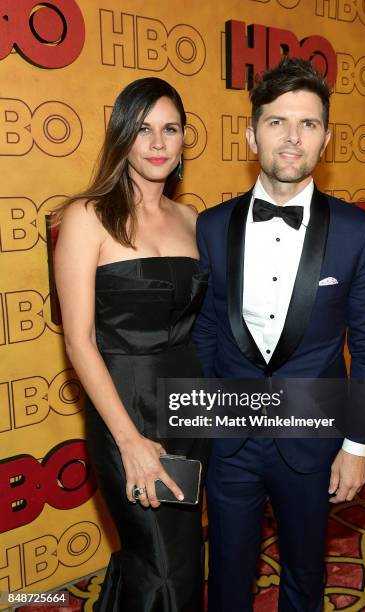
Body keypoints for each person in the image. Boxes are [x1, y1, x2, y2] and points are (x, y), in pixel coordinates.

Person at [192, 58, 365, 612]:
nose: (291, 137)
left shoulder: (358, 232)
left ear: (326, 138)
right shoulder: (211, 225)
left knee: (305, 575)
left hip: (314, 439)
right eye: (277, 121)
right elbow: (207, 328)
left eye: (307, 124)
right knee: (227, 575)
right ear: (250, 131)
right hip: (231, 440)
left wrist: (357, 447)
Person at [54, 77, 208, 612]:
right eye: (144, 129)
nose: (159, 143)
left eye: (171, 129)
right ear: (122, 135)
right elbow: (78, 341)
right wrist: (129, 442)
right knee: (162, 570)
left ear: (185, 139)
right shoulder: (85, 217)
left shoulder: (192, 220)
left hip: (190, 409)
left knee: (179, 558)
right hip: (127, 411)